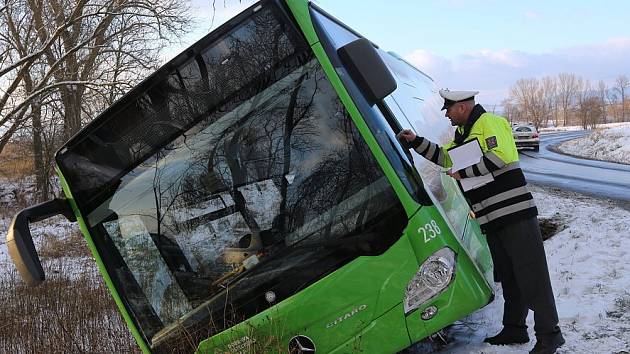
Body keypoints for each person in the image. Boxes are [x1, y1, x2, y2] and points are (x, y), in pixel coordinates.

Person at [397, 89, 565, 354]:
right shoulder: (463, 134)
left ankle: (550, 335)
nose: (447, 115)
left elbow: (501, 157)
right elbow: (445, 158)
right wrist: (416, 141)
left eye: (449, 110)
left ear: (462, 107)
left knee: (533, 277)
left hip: (514, 213)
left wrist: (463, 173)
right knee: (509, 276)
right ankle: (515, 328)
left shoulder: (490, 123)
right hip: (492, 217)